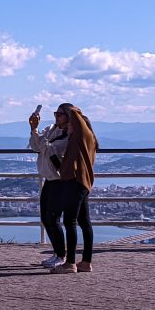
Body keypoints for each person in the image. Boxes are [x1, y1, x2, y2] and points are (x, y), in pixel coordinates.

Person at [51, 103, 98, 274]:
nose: (67, 127)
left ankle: (70, 263)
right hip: (81, 182)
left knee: (69, 221)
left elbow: (76, 118)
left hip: (76, 183)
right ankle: (85, 262)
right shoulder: (79, 142)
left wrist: (68, 109)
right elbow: (68, 164)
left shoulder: (82, 136)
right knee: (84, 222)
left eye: (70, 123)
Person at [28, 106, 69, 268]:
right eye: (55, 114)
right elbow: (35, 147)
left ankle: (62, 255)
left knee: (54, 218)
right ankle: (57, 252)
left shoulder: (69, 135)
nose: (57, 117)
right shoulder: (50, 129)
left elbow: (50, 150)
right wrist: (34, 130)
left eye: (60, 114)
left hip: (59, 180)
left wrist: (36, 131)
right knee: (46, 218)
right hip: (49, 179)